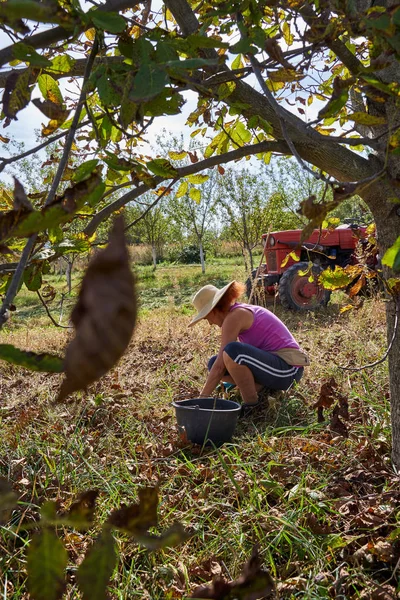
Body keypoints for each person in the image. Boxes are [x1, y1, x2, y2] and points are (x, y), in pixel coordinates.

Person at [189, 280, 309, 414]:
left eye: (207, 318)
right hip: (275, 368)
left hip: (289, 370)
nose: (210, 323)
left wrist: (200, 401)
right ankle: (260, 388)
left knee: (232, 352)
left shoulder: (235, 316)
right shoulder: (237, 312)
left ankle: (251, 405)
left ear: (215, 309)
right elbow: (218, 365)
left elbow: (221, 366)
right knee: (214, 361)